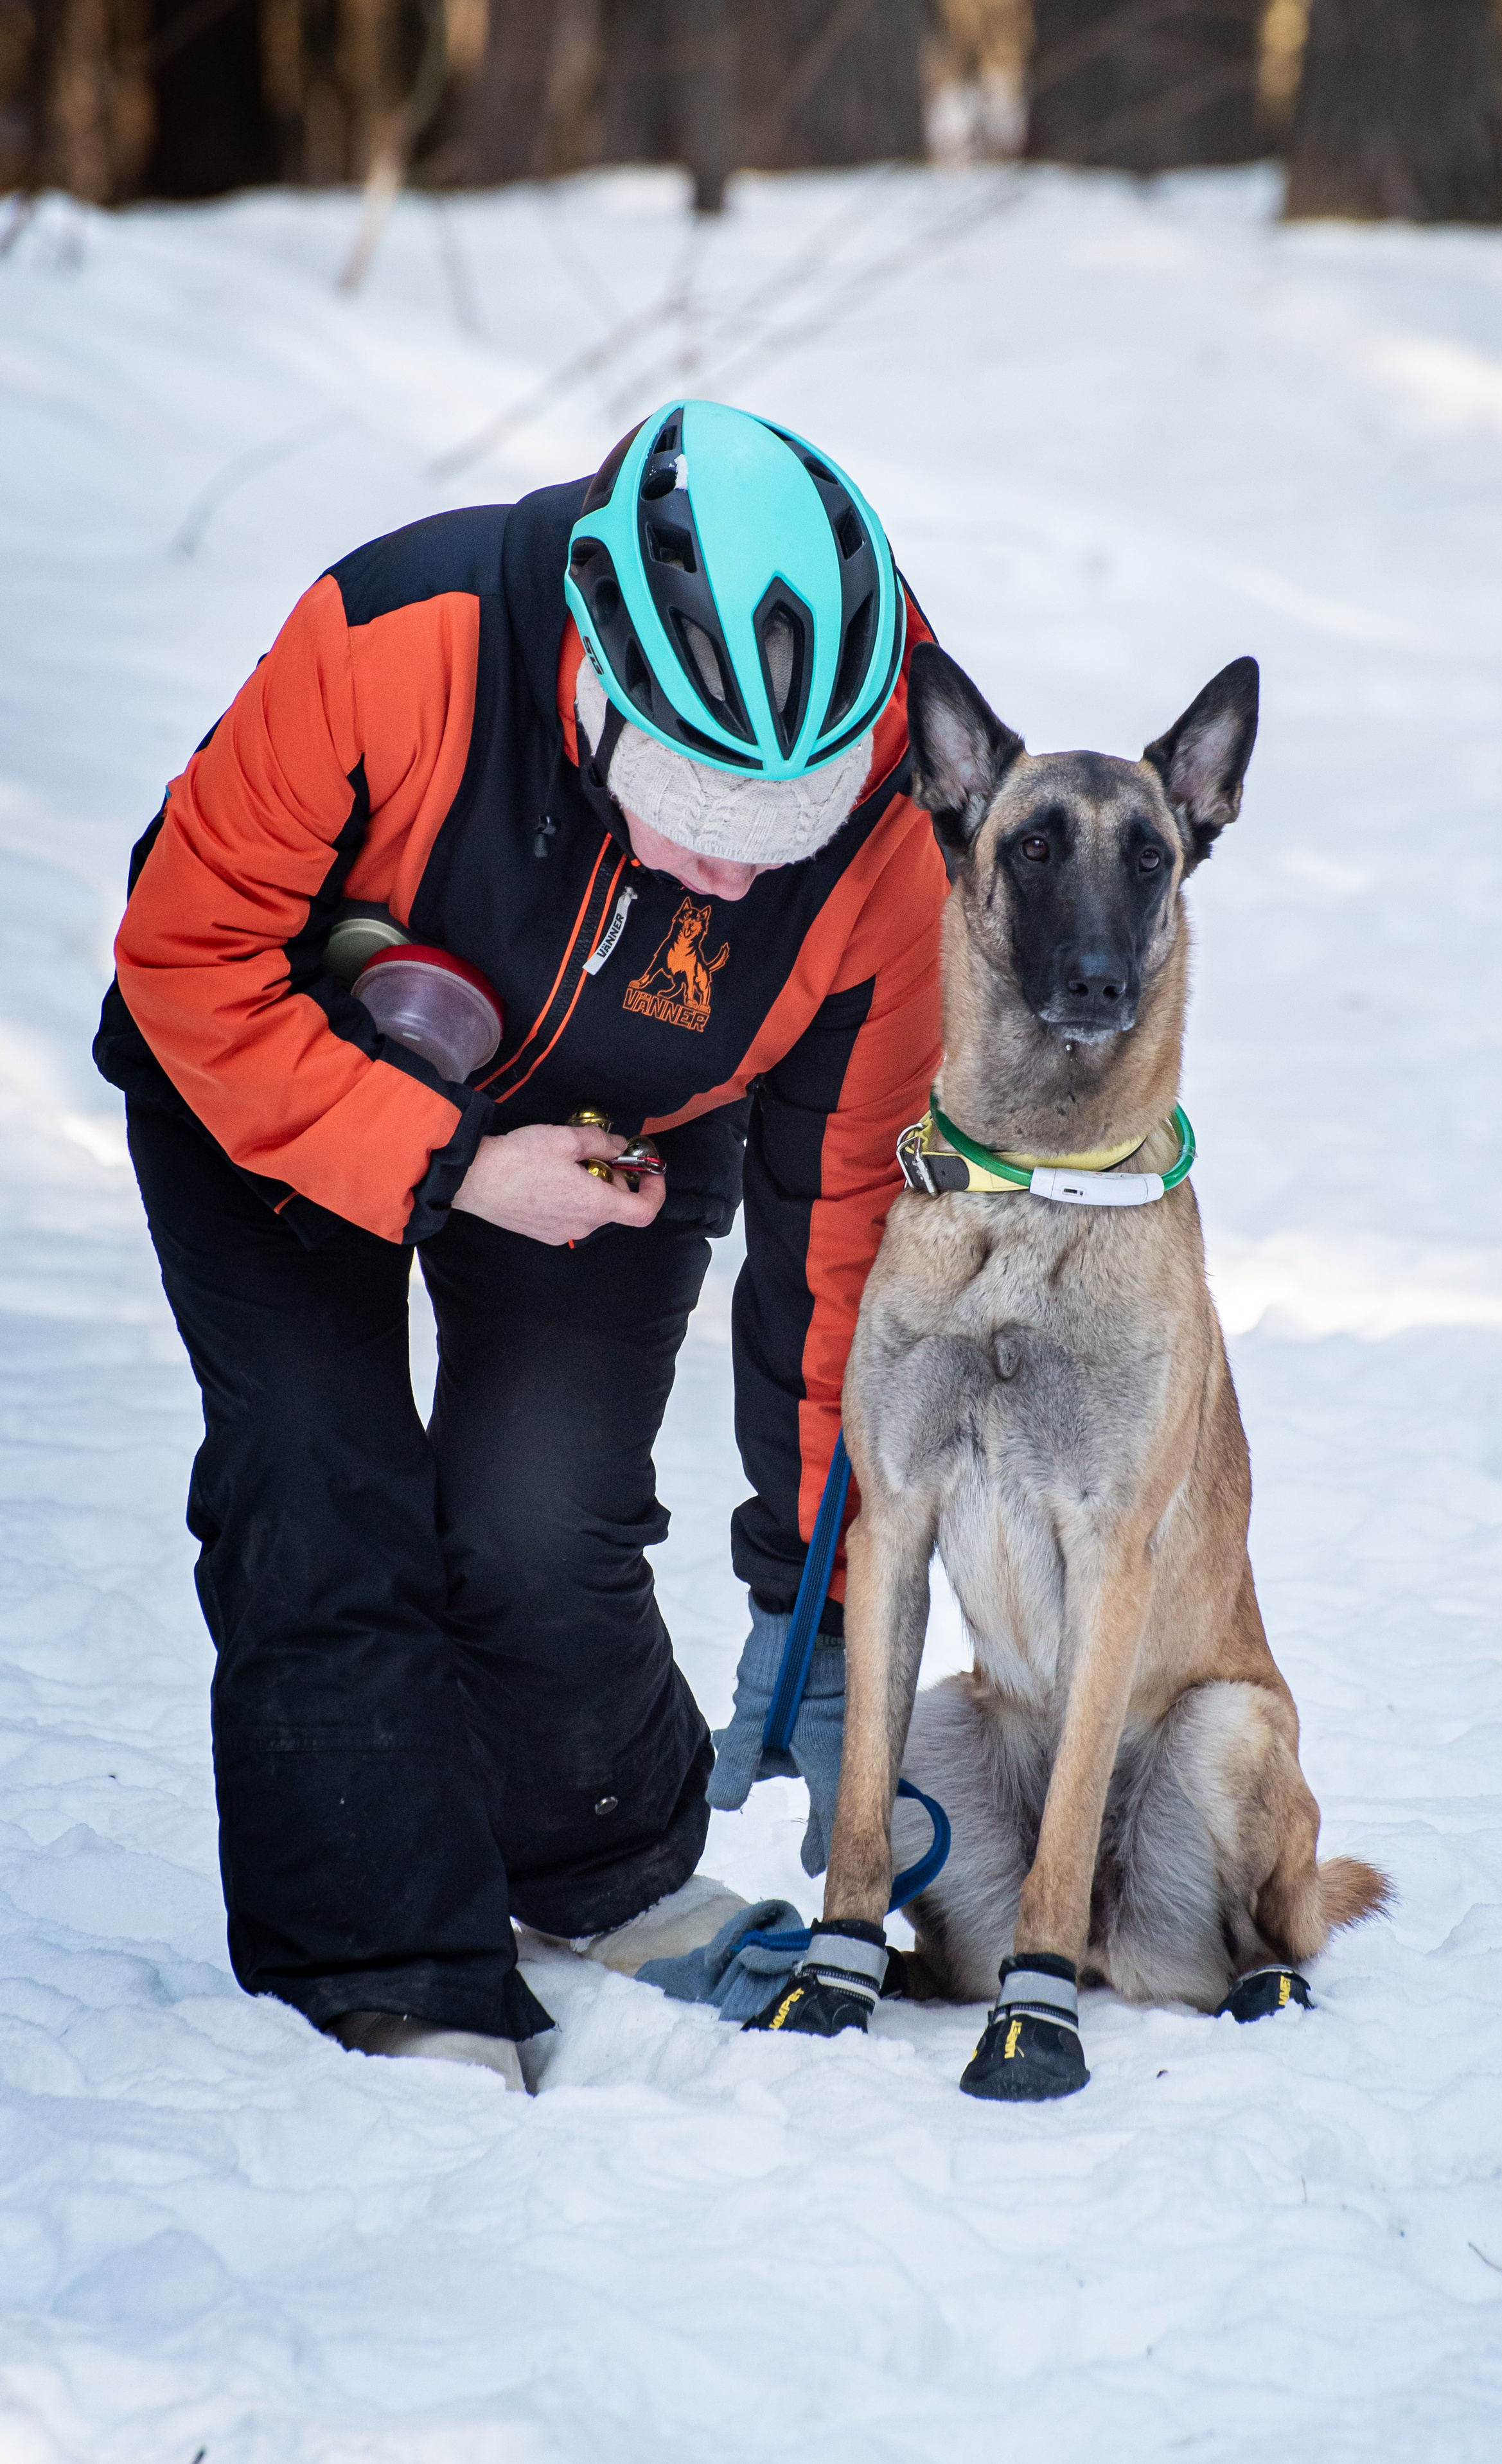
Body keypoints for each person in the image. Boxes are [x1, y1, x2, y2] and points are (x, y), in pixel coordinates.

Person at [94, 400, 948, 2090]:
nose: (727, 859)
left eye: (782, 824)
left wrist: (823, 1580)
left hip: (633, 1110)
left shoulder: (905, 821)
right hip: (286, 1053)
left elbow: (849, 1213)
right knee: (321, 1476)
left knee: (538, 1505)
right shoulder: (395, 643)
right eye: (699, 796)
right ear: (597, 679)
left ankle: (603, 1858)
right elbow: (186, 958)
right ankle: (395, 1956)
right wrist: (462, 1162)